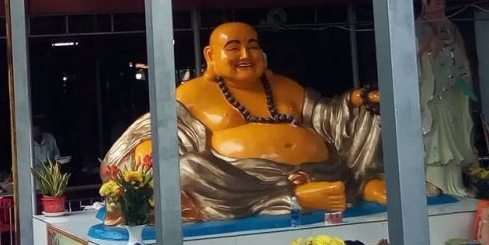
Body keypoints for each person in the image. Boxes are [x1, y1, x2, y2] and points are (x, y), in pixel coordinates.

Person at [102, 22, 389, 220]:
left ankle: (361, 182)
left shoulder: (284, 86)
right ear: (210, 56)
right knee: (185, 170)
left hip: (322, 168)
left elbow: (327, 117)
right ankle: (294, 199)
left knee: (370, 113)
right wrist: (148, 147)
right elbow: (156, 133)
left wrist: (356, 99)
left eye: (252, 46)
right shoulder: (191, 94)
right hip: (238, 182)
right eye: (234, 48)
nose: (245, 55)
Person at [417, 0, 476, 197]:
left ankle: (455, 182)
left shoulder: (450, 27)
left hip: (451, 90)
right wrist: (429, 48)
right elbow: (410, 55)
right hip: (430, 93)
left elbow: (462, 56)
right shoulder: (419, 26)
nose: (440, 7)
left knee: (454, 134)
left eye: (443, 2)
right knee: (433, 135)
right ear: (426, 2)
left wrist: (464, 78)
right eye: (436, 2)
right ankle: (433, 181)